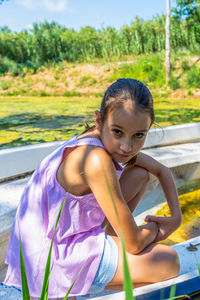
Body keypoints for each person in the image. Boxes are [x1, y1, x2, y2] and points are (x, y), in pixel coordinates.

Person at [4, 78, 182, 300]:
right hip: (50, 257)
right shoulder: (95, 159)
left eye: (139, 135)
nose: (127, 147)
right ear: (99, 120)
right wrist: (159, 229)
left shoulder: (100, 140)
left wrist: (176, 216)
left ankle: (108, 249)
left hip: (51, 241)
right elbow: (135, 243)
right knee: (169, 261)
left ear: (147, 129)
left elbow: (162, 170)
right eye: (118, 132)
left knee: (139, 175)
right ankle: (72, 282)